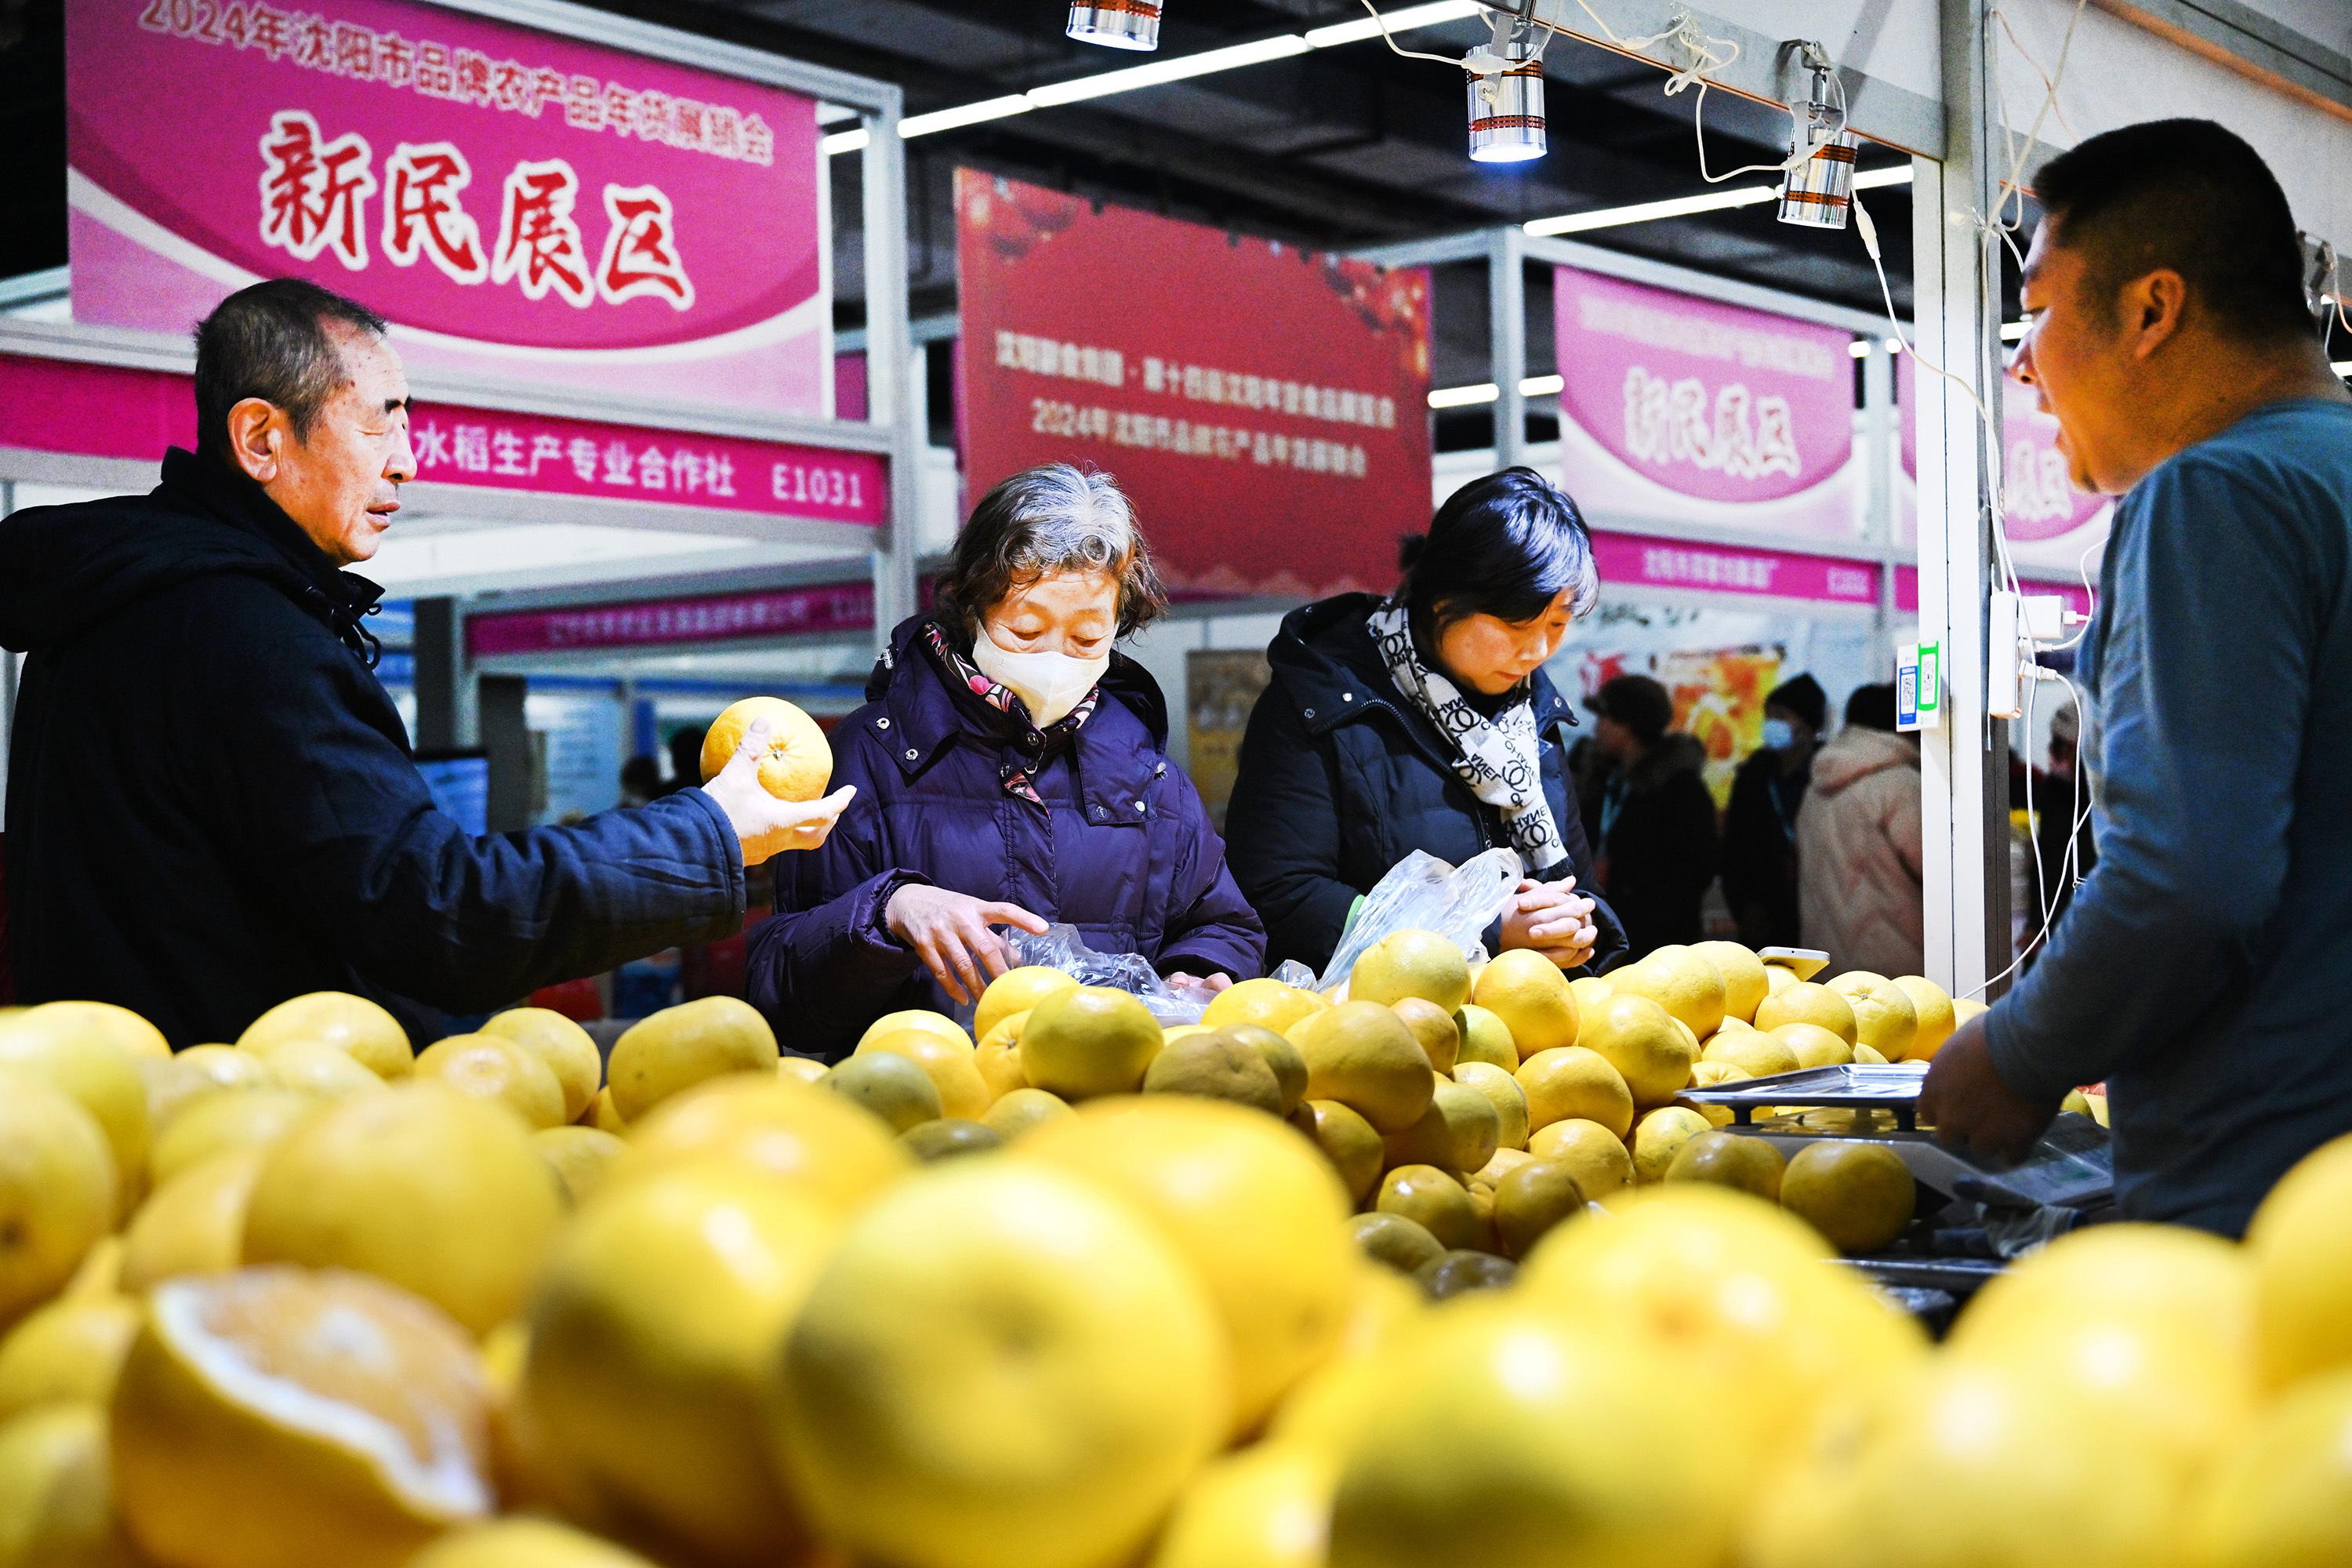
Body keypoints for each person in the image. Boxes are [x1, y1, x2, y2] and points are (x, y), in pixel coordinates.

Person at [0, 278, 852, 1049]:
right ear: (262, 438)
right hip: (257, 1143)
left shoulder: (111, 606)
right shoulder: (241, 634)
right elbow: (438, 913)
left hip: (133, 1114)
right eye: (380, 417)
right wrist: (706, 831)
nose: (407, 458)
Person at [1918, 120, 2352, 1235]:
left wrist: (2017, 1054)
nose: (2023, 365)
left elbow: (2189, 873)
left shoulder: (2218, 496)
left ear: (2153, 309)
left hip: (2261, 1199)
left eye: (2037, 314)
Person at [749, 464, 1262, 1058]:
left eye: (1087, 637)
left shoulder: (1146, 774)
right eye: (1025, 630)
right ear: (973, 609)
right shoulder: (872, 756)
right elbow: (779, 988)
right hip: (926, 1110)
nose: (1054, 659)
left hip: (1108, 1110)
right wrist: (887, 911)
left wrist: (1202, 971)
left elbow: (1221, 923)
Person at [1225, 467, 1624, 977]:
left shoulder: (1532, 721)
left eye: (1557, 624)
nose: (1537, 651)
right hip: (1366, 1031)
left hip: (1521, 1033)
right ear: (1441, 599)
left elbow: (1579, 884)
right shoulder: (1323, 700)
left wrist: (1580, 926)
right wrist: (1481, 933)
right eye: (1515, 624)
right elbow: (1279, 891)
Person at [1573, 674, 1716, 960]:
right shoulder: (1598, 779)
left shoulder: (1680, 788)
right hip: (1599, 931)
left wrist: (1637, 900)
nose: (1597, 728)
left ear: (1628, 725)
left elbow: (1693, 870)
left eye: (1605, 718)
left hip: (1658, 943)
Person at [1792, 684, 1922, 977]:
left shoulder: (1815, 787)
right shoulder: (1899, 785)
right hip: (1895, 970)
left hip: (1826, 965)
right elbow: (1941, 875)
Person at [1719, 673, 1826, 950]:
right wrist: (1745, 907)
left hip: (1819, 904)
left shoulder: (1827, 774)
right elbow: (1735, 850)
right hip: (1763, 910)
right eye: (1769, 715)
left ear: (1807, 724)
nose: (1771, 724)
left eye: (1781, 716)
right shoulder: (1753, 776)